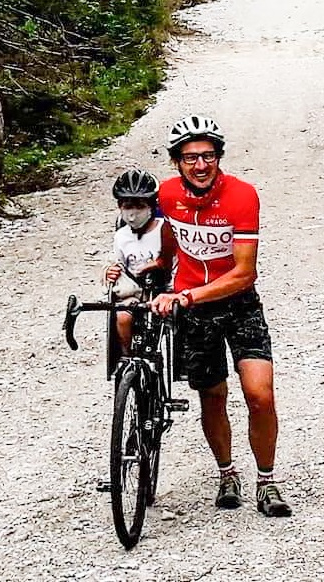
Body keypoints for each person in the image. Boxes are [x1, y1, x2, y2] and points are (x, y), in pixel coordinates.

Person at [149, 115, 292, 517]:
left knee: (260, 395)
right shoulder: (166, 194)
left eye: (208, 156)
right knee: (212, 396)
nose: (200, 165)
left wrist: (188, 295)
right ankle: (227, 473)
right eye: (191, 157)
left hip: (238, 305)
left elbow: (245, 272)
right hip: (192, 311)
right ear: (177, 162)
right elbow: (161, 237)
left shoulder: (242, 195)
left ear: (218, 158)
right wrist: (154, 267)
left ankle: (267, 480)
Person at [104, 169, 176, 355]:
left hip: (164, 290)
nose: (133, 213)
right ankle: (127, 357)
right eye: (127, 206)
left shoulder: (164, 229)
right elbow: (118, 263)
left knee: (179, 321)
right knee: (122, 317)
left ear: (151, 206)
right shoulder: (121, 236)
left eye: (139, 205)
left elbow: (172, 261)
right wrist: (110, 272)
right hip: (135, 293)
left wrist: (158, 265)